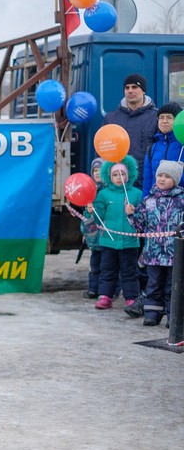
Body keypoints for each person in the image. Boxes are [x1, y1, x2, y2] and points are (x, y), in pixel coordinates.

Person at [127, 160, 184, 327]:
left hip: (175, 254)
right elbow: (139, 226)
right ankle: (152, 314)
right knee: (153, 284)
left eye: (167, 176)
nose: (162, 179)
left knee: (171, 286)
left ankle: (172, 316)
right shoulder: (148, 200)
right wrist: (131, 214)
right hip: (153, 254)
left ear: (175, 179)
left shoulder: (181, 200)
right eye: (160, 175)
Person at [89, 156, 142, 311]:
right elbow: (97, 216)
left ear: (129, 175)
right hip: (108, 241)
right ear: (109, 176)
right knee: (107, 270)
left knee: (129, 272)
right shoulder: (104, 194)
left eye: (122, 174)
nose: (119, 177)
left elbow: (143, 217)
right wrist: (91, 211)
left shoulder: (136, 194)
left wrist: (134, 212)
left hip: (130, 242)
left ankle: (131, 297)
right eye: (115, 175)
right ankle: (105, 296)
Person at [101, 73, 158, 189]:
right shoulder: (111, 118)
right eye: (127, 88)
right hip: (116, 183)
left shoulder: (156, 117)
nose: (130, 91)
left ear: (143, 91)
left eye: (134, 87)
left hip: (144, 183)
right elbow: (101, 148)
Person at [141, 102, 184, 198]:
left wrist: (173, 178)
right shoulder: (152, 148)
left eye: (169, 118)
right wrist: (143, 204)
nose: (164, 121)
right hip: (157, 207)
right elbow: (147, 182)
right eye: (161, 117)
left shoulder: (182, 145)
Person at [81, 157, 105, 299]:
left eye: (100, 170)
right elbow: (85, 215)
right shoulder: (89, 191)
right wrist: (85, 231)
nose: (97, 173)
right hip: (93, 237)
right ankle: (92, 289)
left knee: (107, 266)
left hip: (106, 237)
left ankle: (106, 291)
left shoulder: (106, 192)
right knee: (94, 265)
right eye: (95, 170)